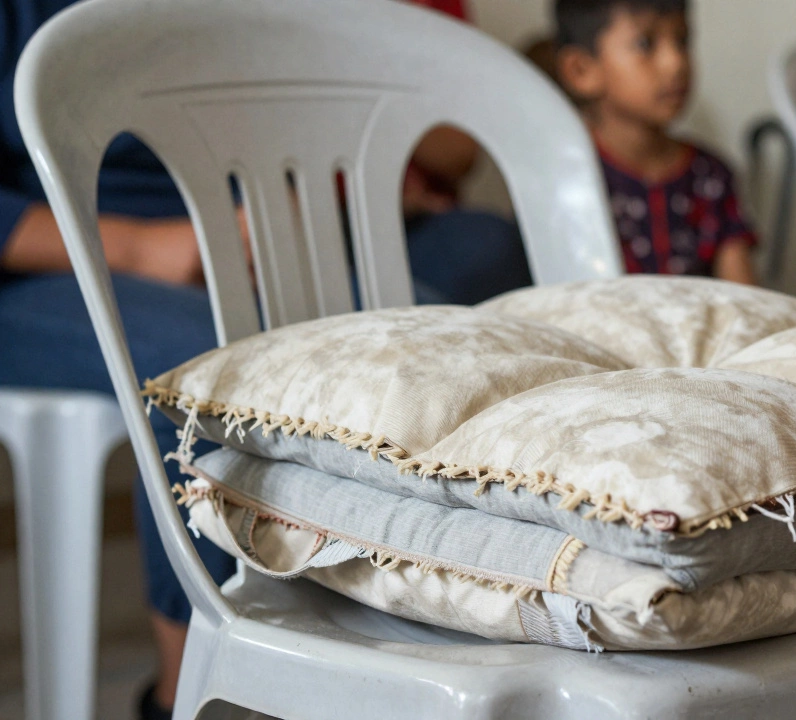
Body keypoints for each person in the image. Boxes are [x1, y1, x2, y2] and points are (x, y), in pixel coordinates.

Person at [0, 1, 528, 718]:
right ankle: (191, 692)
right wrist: (140, 246)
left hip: (227, 233)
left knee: (427, 331)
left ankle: (392, 641)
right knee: (215, 372)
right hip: (48, 255)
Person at [554, 0, 757, 283]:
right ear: (582, 71)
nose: (675, 63)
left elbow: (745, 303)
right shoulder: (562, 178)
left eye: (682, 40)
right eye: (645, 44)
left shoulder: (712, 176)